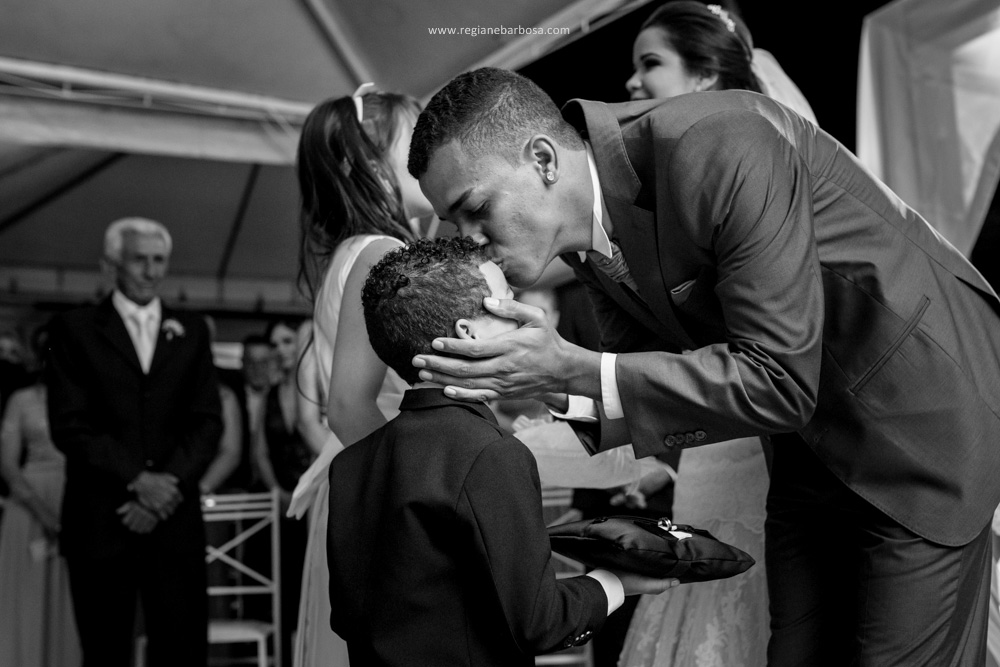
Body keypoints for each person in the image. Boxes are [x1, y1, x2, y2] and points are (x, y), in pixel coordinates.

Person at [406, 67, 1000, 666]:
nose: (469, 238)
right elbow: (646, 377)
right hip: (807, 453)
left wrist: (566, 368)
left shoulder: (721, 141)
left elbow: (778, 380)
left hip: (919, 419)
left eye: (474, 208)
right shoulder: (582, 236)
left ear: (542, 159)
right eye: (454, 224)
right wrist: (543, 380)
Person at [327, 236, 677, 666]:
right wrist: (617, 582)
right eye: (507, 304)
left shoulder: (350, 464)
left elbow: (350, 619)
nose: (526, 320)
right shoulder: (492, 453)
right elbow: (539, 621)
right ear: (468, 333)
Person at [617, 3, 818, 664]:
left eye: (652, 64)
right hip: (710, 442)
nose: (631, 83)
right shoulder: (667, 184)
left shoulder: (753, 174)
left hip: (765, 432)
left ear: (704, 77)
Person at [287, 84, 435, 667]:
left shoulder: (358, 251)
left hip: (359, 481)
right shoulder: (380, 254)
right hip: (379, 496)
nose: (433, 150)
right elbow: (349, 406)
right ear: (366, 163)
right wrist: (422, 499)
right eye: (416, 138)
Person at [46, 216, 222, 667]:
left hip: (173, 519)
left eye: (159, 260)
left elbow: (206, 424)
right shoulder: (74, 329)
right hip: (102, 519)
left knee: (181, 648)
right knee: (104, 649)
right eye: (139, 260)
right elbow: (70, 425)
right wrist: (137, 480)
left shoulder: (193, 329)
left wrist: (167, 486)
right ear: (110, 267)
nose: (151, 271)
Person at [0, 324, 82, 667]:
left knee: (72, 602)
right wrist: (45, 515)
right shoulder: (22, 400)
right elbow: (7, 465)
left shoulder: (87, 399)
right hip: (30, 507)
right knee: (27, 599)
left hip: (77, 502)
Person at [253, 317, 313, 667]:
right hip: (281, 502)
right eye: (275, 344)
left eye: (287, 341)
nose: (281, 350)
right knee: (284, 586)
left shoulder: (317, 386)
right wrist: (276, 490)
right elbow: (259, 451)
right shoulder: (270, 395)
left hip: (316, 498)